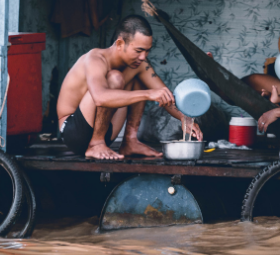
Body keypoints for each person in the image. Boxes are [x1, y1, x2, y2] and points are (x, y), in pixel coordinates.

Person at [57, 15, 203, 160]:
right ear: (120, 44)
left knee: (138, 75)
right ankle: (96, 143)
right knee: (115, 78)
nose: (143, 57)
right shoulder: (95, 59)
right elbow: (100, 98)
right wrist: (147, 94)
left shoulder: (139, 65)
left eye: (147, 51)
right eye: (139, 51)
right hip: (74, 132)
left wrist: (185, 120)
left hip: (105, 131)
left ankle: (130, 141)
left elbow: (165, 95)